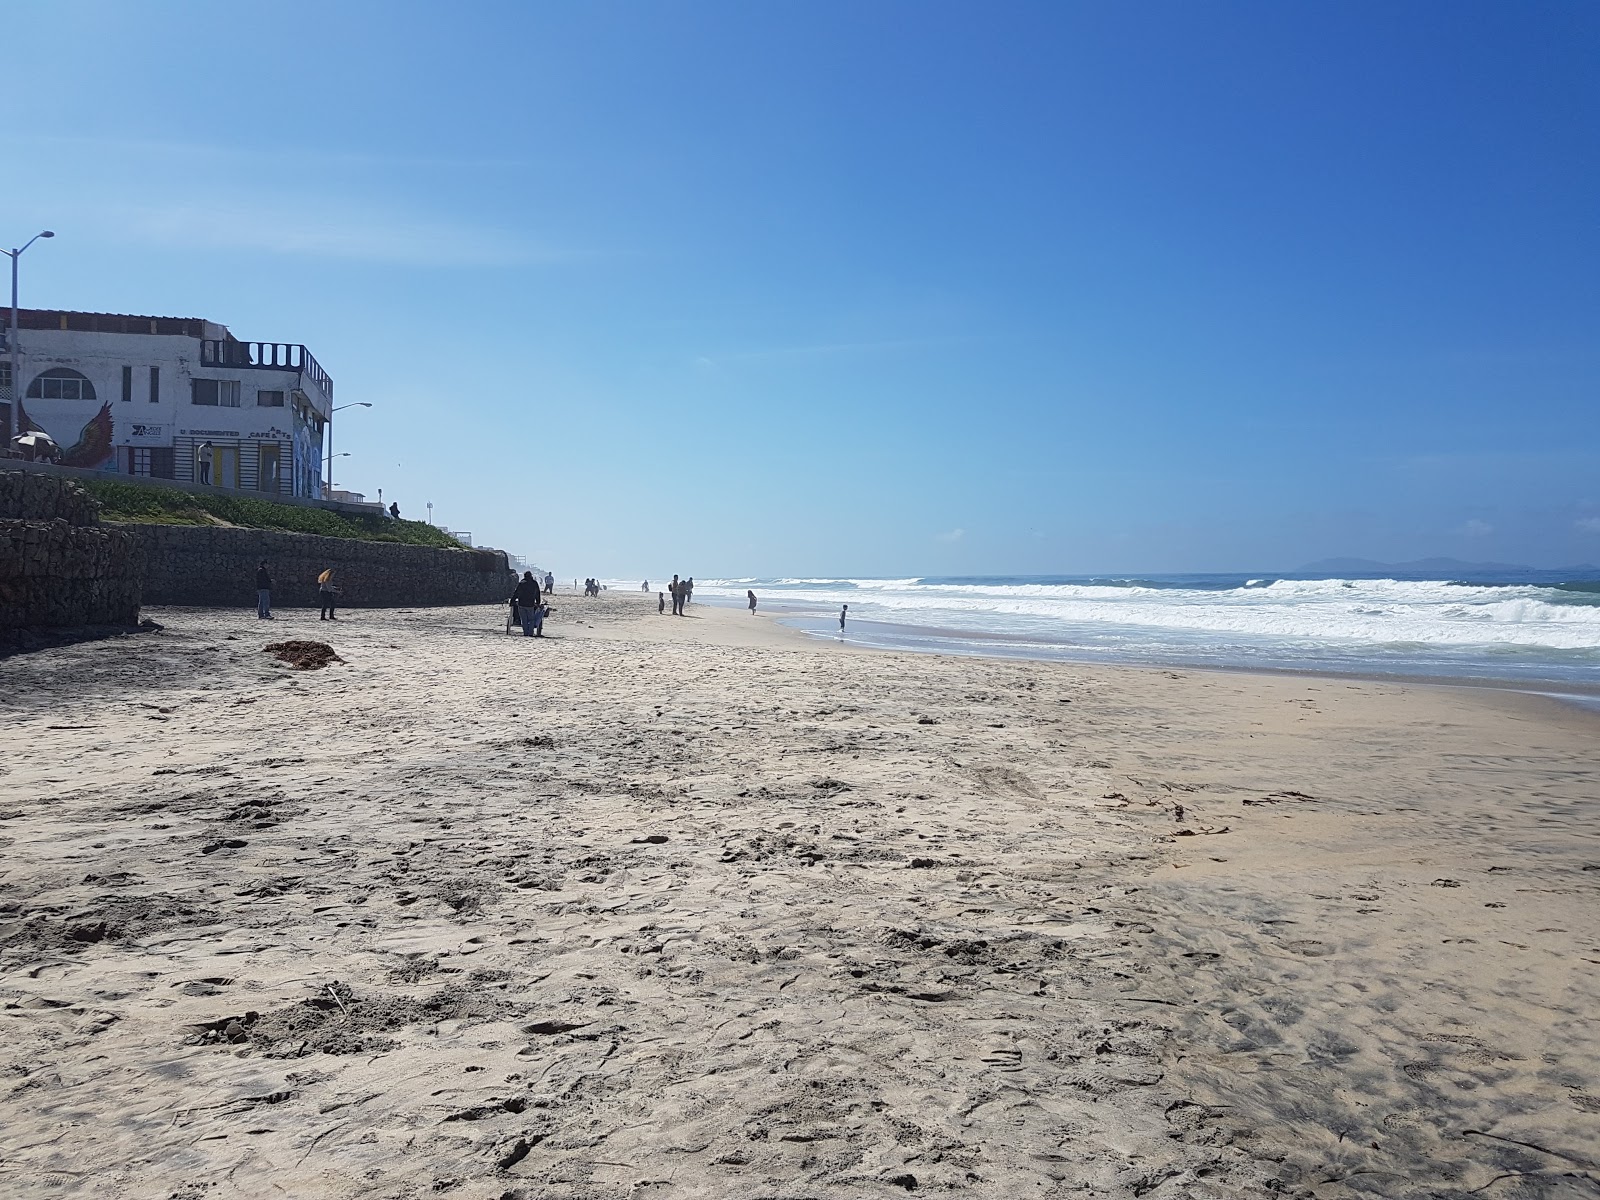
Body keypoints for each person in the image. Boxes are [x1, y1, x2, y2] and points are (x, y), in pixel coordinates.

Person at [513, 571, 543, 636]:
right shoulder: (534, 583)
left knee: (524, 619)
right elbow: (537, 593)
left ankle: (525, 633)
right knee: (531, 619)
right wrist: (538, 602)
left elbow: (516, 593)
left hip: (521, 604)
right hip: (530, 604)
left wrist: (513, 601)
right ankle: (530, 633)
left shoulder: (521, 583)